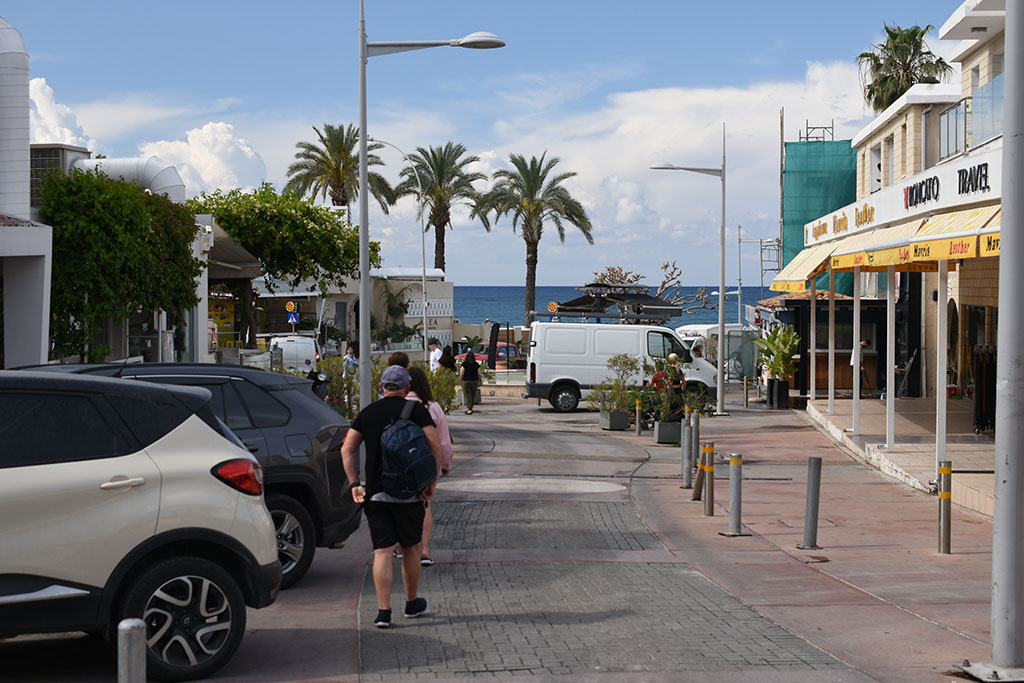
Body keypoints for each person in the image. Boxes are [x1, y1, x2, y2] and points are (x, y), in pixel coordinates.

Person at [340, 365, 443, 629]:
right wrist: (430, 482)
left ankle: (383, 612)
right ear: (407, 388)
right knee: (411, 548)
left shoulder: (369, 413)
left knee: (383, 551)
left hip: (376, 494)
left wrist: (355, 484)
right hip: (411, 493)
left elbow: (347, 449)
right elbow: (434, 445)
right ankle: (410, 603)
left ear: (382, 386)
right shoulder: (418, 411)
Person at [407, 366, 452, 567]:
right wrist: (445, 464)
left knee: (399, 505)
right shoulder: (432, 407)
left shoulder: (396, 404)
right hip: (425, 462)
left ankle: (402, 547)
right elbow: (443, 441)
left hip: (398, 463)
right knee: (424, 505)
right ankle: (424, 550)